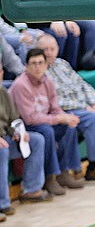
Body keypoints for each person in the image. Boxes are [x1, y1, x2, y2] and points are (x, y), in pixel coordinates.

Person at [37, 34, 95, 180]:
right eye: (45, 49)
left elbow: (83, 84)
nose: (49, 52)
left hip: (87, 103)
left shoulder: (62, 63)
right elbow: (54, 101)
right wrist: (86, 107)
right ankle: (94, 167)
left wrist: (94, 102)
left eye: (52, 48)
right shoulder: (38, 71)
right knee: (94, 118)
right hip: (69, 109)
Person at [9, 48, 84, 194]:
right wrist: (59, 118)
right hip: (23, 127)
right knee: (47, 131)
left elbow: (55, 108)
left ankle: (64, 171)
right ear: (27, 66)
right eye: (33, 63)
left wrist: (66, 118)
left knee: (69, 126)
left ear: (46, 65)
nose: (37, 67)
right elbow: (30, 119)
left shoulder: (47, 81)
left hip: (43, 121)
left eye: (40, 63)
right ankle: (50, 177)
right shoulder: (21, 85)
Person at [1, 84, 51, 220]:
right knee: (2, 150)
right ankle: (2, 204)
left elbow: (13, 119)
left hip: (5, 137)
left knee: (36, 140)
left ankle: (31, 190)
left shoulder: (3, 92)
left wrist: (18, 132)